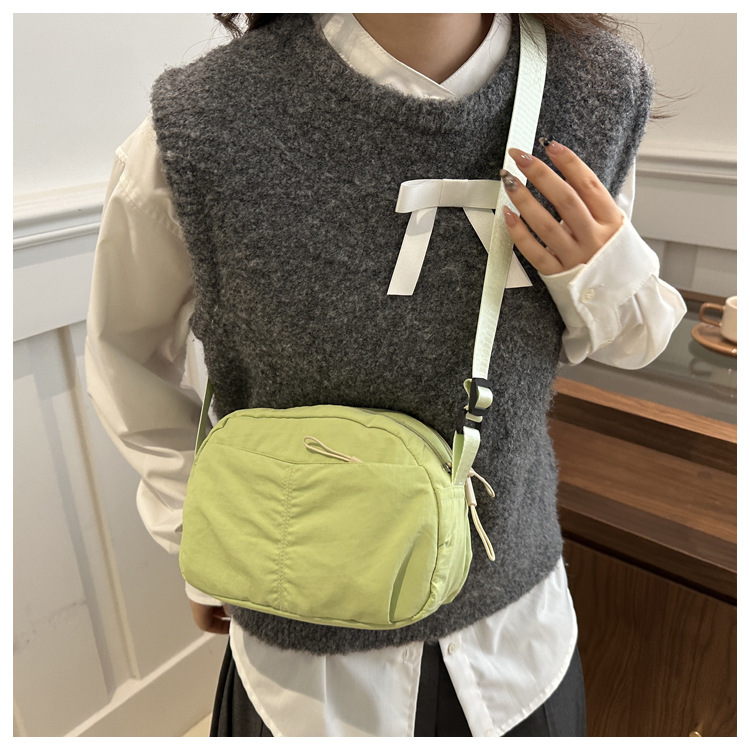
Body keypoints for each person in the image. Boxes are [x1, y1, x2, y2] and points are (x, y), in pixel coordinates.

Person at [85, 13, 686, 737]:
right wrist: (201, 531)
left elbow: (628, 340)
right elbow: (125, 358)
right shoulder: (201, 122)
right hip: (306, 670)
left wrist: (603, 272)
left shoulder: (595, 89)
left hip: (517, 640)